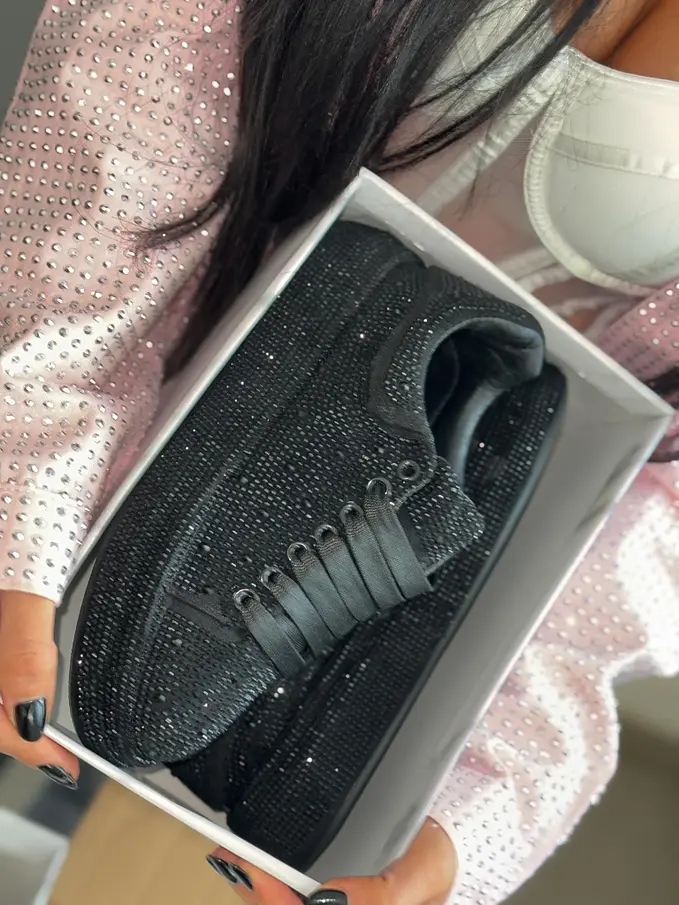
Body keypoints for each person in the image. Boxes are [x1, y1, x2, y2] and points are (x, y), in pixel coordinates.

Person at [0, 1, 678, 903]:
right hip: (154, 385)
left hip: (504, 465)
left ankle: (428, 448)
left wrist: (483, 794)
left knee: (214, 830)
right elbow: (112, 157)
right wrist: (24, 491)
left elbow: (654, 518)